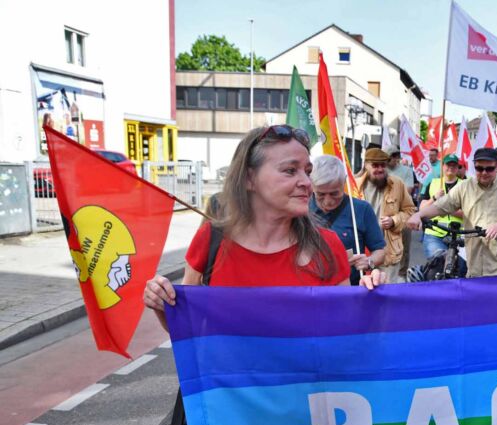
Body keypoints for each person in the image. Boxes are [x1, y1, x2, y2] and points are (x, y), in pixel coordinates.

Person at [143, 125, 385, 325]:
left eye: (307, 171)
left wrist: (369, 299)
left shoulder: (327, 244)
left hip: (304, 384)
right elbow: (190, 328)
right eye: (290, 171)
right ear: (249, 178)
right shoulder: (211, 238)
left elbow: (345, 330)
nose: (306, 182)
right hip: (230, 383)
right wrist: (163, 305)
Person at [407, 147, 497, 277]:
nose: (484, 173)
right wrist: (418, 215)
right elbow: (441, 206)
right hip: (474, 269)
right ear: (474, 167)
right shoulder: (465, 186)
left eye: (489, 169)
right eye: (479, 169)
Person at [310, 155, 387, 286]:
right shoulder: (299, 209)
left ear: (344, 182)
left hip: (350, 288)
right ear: (311, 185)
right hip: (310, 288)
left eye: (335, 193)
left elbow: (380, 251)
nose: (328, 201)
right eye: (320, 194)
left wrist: (369, 262)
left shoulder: (362, 209)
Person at [356, 147, 416, 283]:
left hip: (388, 253)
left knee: (386, 296)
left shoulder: (397, 184)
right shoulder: (354, 187)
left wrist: (394, 220)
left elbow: (410, 211)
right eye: (375, 165)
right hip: (361, 254)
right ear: (366, 165)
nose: (380, 169)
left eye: (383, 165)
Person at [419, 154, 464, 258]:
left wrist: (446, 209)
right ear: (442, 166)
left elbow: (470, 213)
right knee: (437, 265)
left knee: (460, 270)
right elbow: (422, 209)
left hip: (458, 235)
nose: (451, 168)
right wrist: (434, 198)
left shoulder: (465, 185)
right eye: (448, 165)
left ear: (458, 168)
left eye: (454, 165)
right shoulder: (433, 183)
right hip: (435, 233)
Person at [385, 146, 417, 281]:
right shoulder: (382, 171)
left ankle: (401, 275)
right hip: (383, 214)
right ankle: (385, 274)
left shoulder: (407, 171)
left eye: (394, 156)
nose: (393, 159)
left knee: (403, 246)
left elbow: (408, 191)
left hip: (403, 213)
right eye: (390, 157)